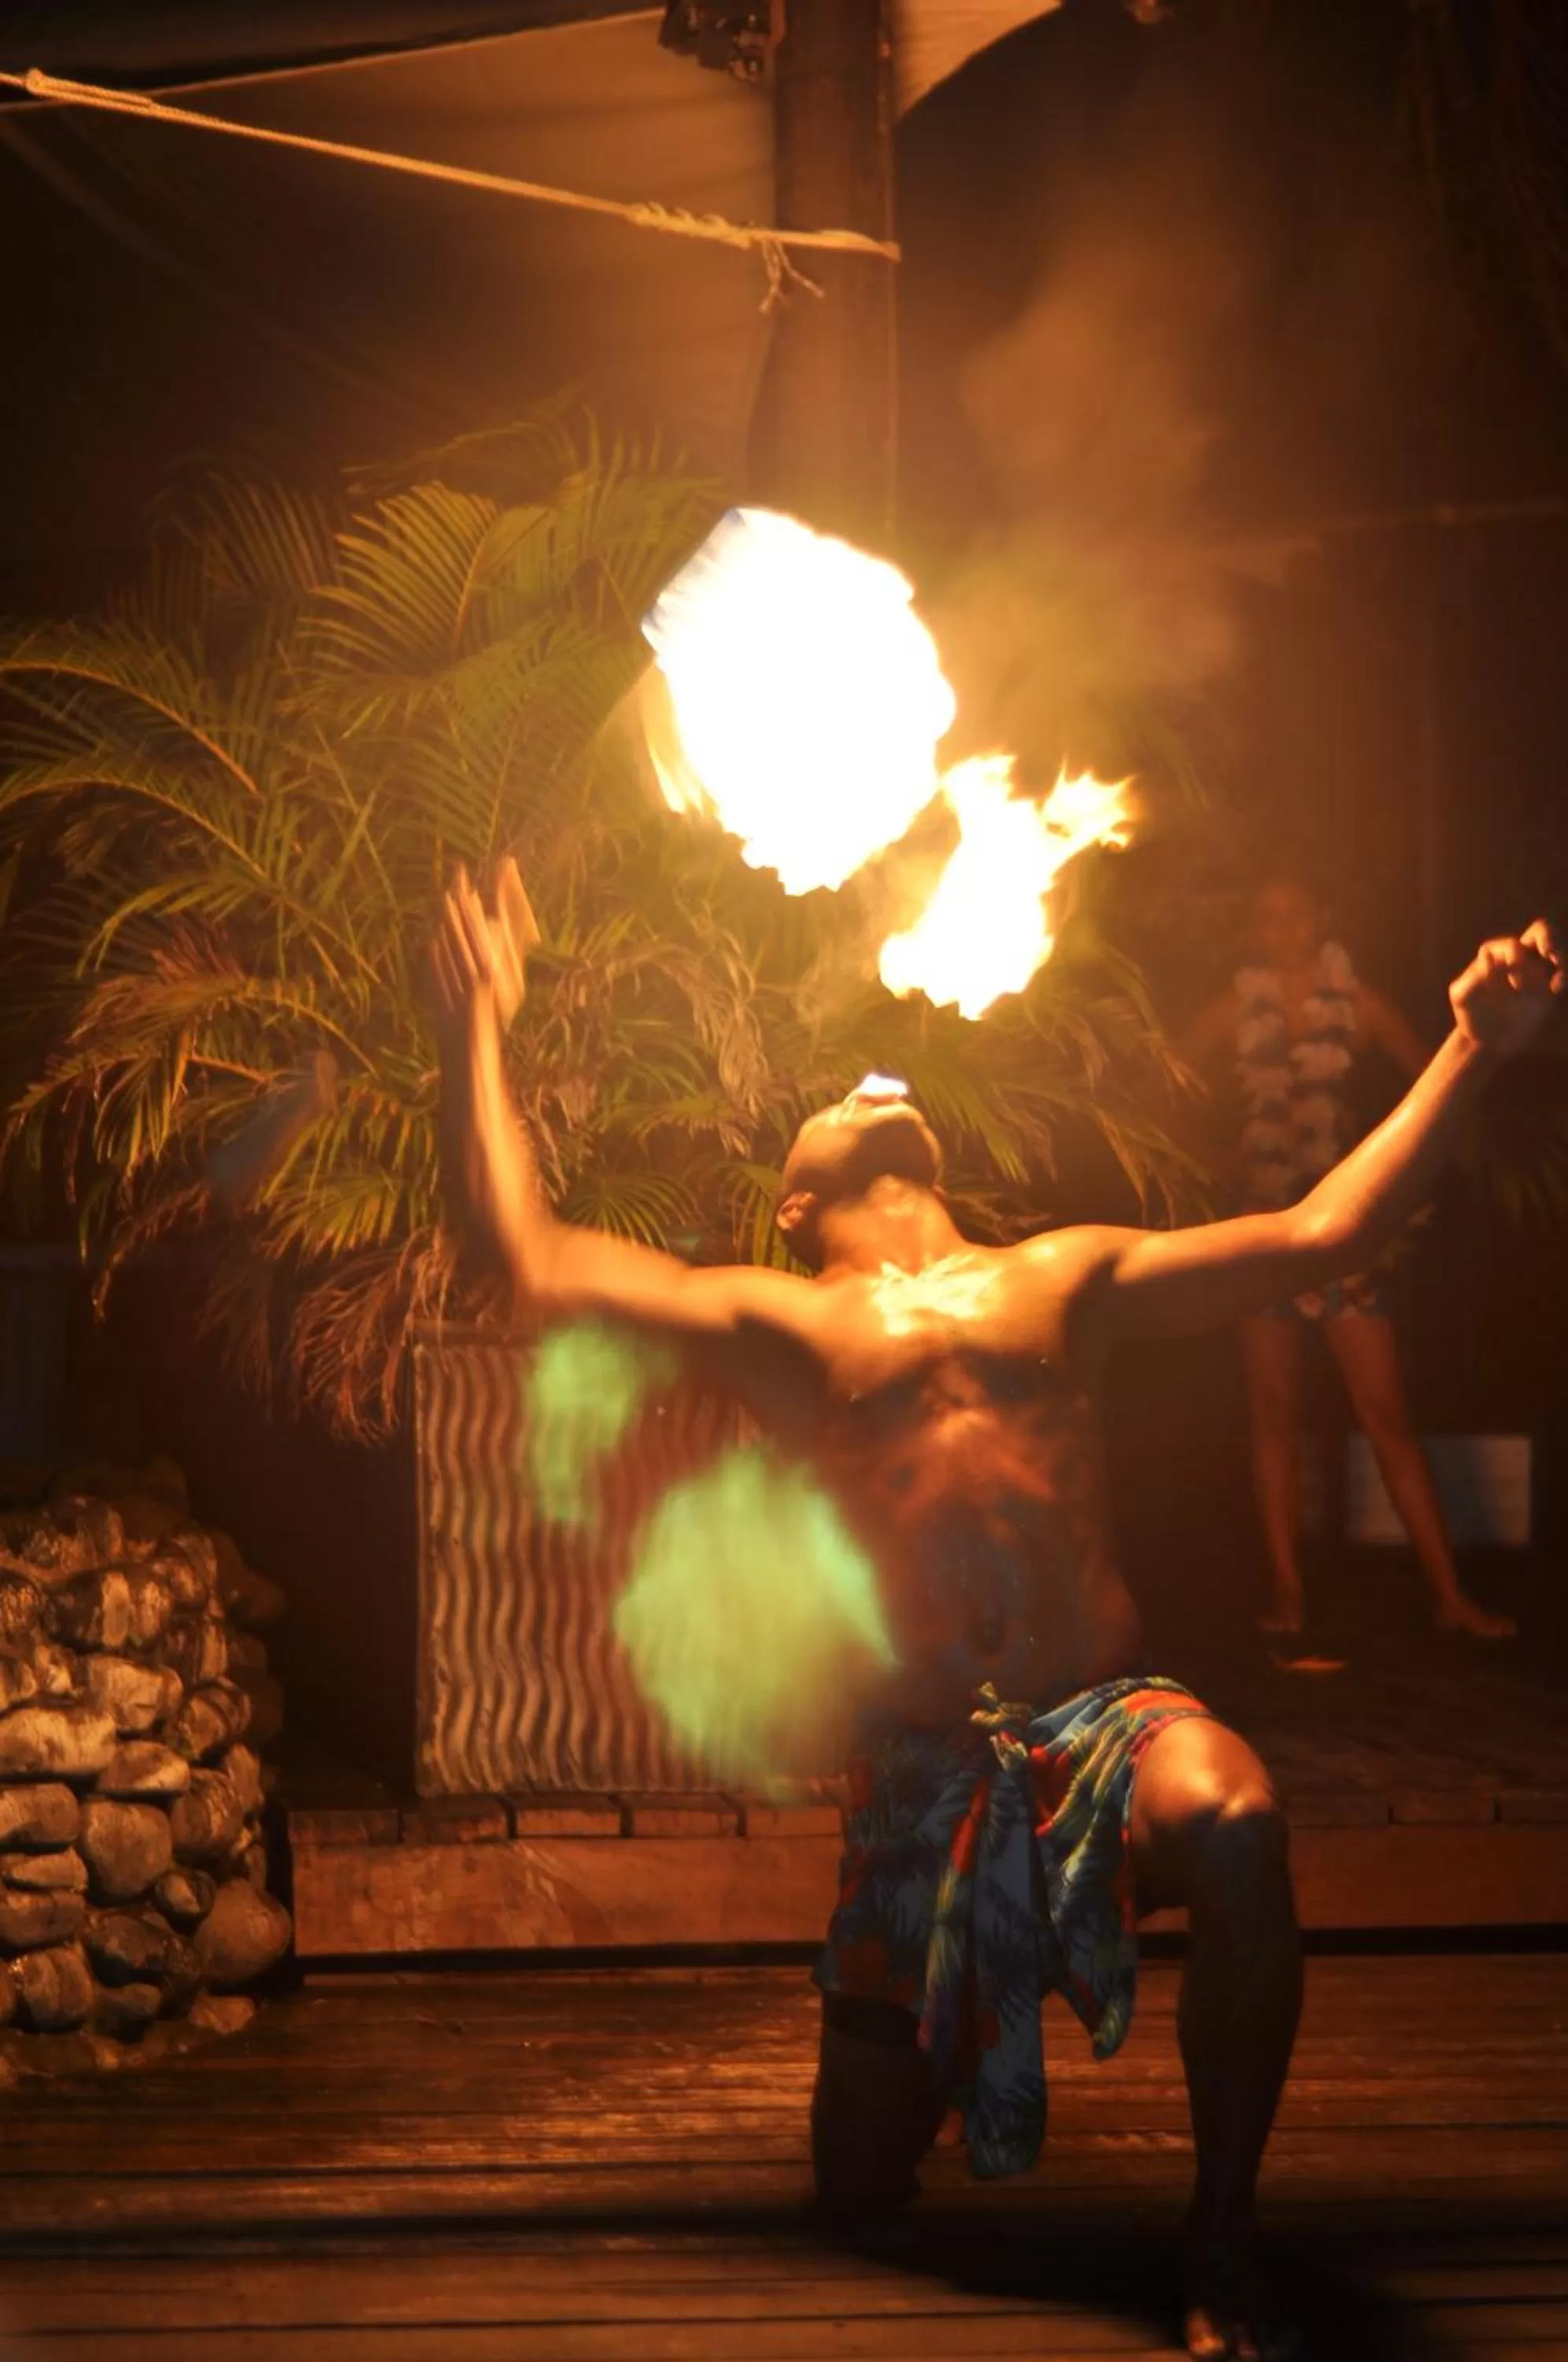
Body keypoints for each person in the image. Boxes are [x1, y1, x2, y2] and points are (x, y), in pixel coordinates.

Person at [431, 862, 1558, 2362]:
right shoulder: (779, 1323)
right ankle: (936, 2028)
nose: (865, 1079)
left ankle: (1219, 2245)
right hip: (923, 1778)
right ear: (795, 1196)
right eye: (832, 1097)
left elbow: (1320, 1237)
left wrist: (1477, 1045)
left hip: (1102, 1722)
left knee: (1235, 1818)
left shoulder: (1061, 1275)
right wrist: (477, 1026)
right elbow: (528, 1258)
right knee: (859, 2182)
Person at [1185, 876, 1512, 1642]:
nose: (1284, 927)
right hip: (1264, 1229)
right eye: (1268, 916)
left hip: (1349, 1230)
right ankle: (1289, 1595)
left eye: (1297, 912)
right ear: (1255, 933)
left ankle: (1450, 1596)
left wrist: (1397, 1173)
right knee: (1272, 1414)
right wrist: (1209, 1154)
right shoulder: (1238, 1008)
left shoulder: (1358, 1004)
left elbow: (1435, 1080)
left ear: (1322, 918)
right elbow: (1170, 1074)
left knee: (1385, 1413)